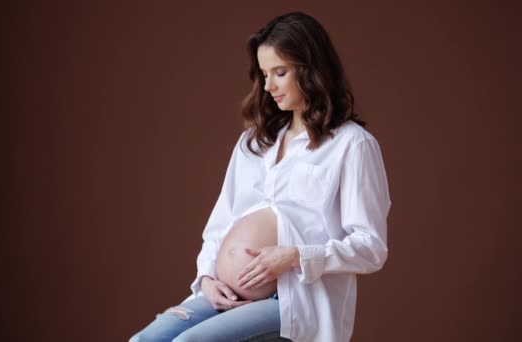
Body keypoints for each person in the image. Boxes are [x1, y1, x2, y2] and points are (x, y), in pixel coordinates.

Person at [130, 11, 391, 342]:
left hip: (292, 300)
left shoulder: (352, 144)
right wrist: (208, 278)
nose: (268, 86)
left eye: (279, 73)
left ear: (312, 70)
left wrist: (294, 256)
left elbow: (371, 248)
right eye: (264, 74)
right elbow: (221, 222)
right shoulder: (255, 141)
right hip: (225, 293)